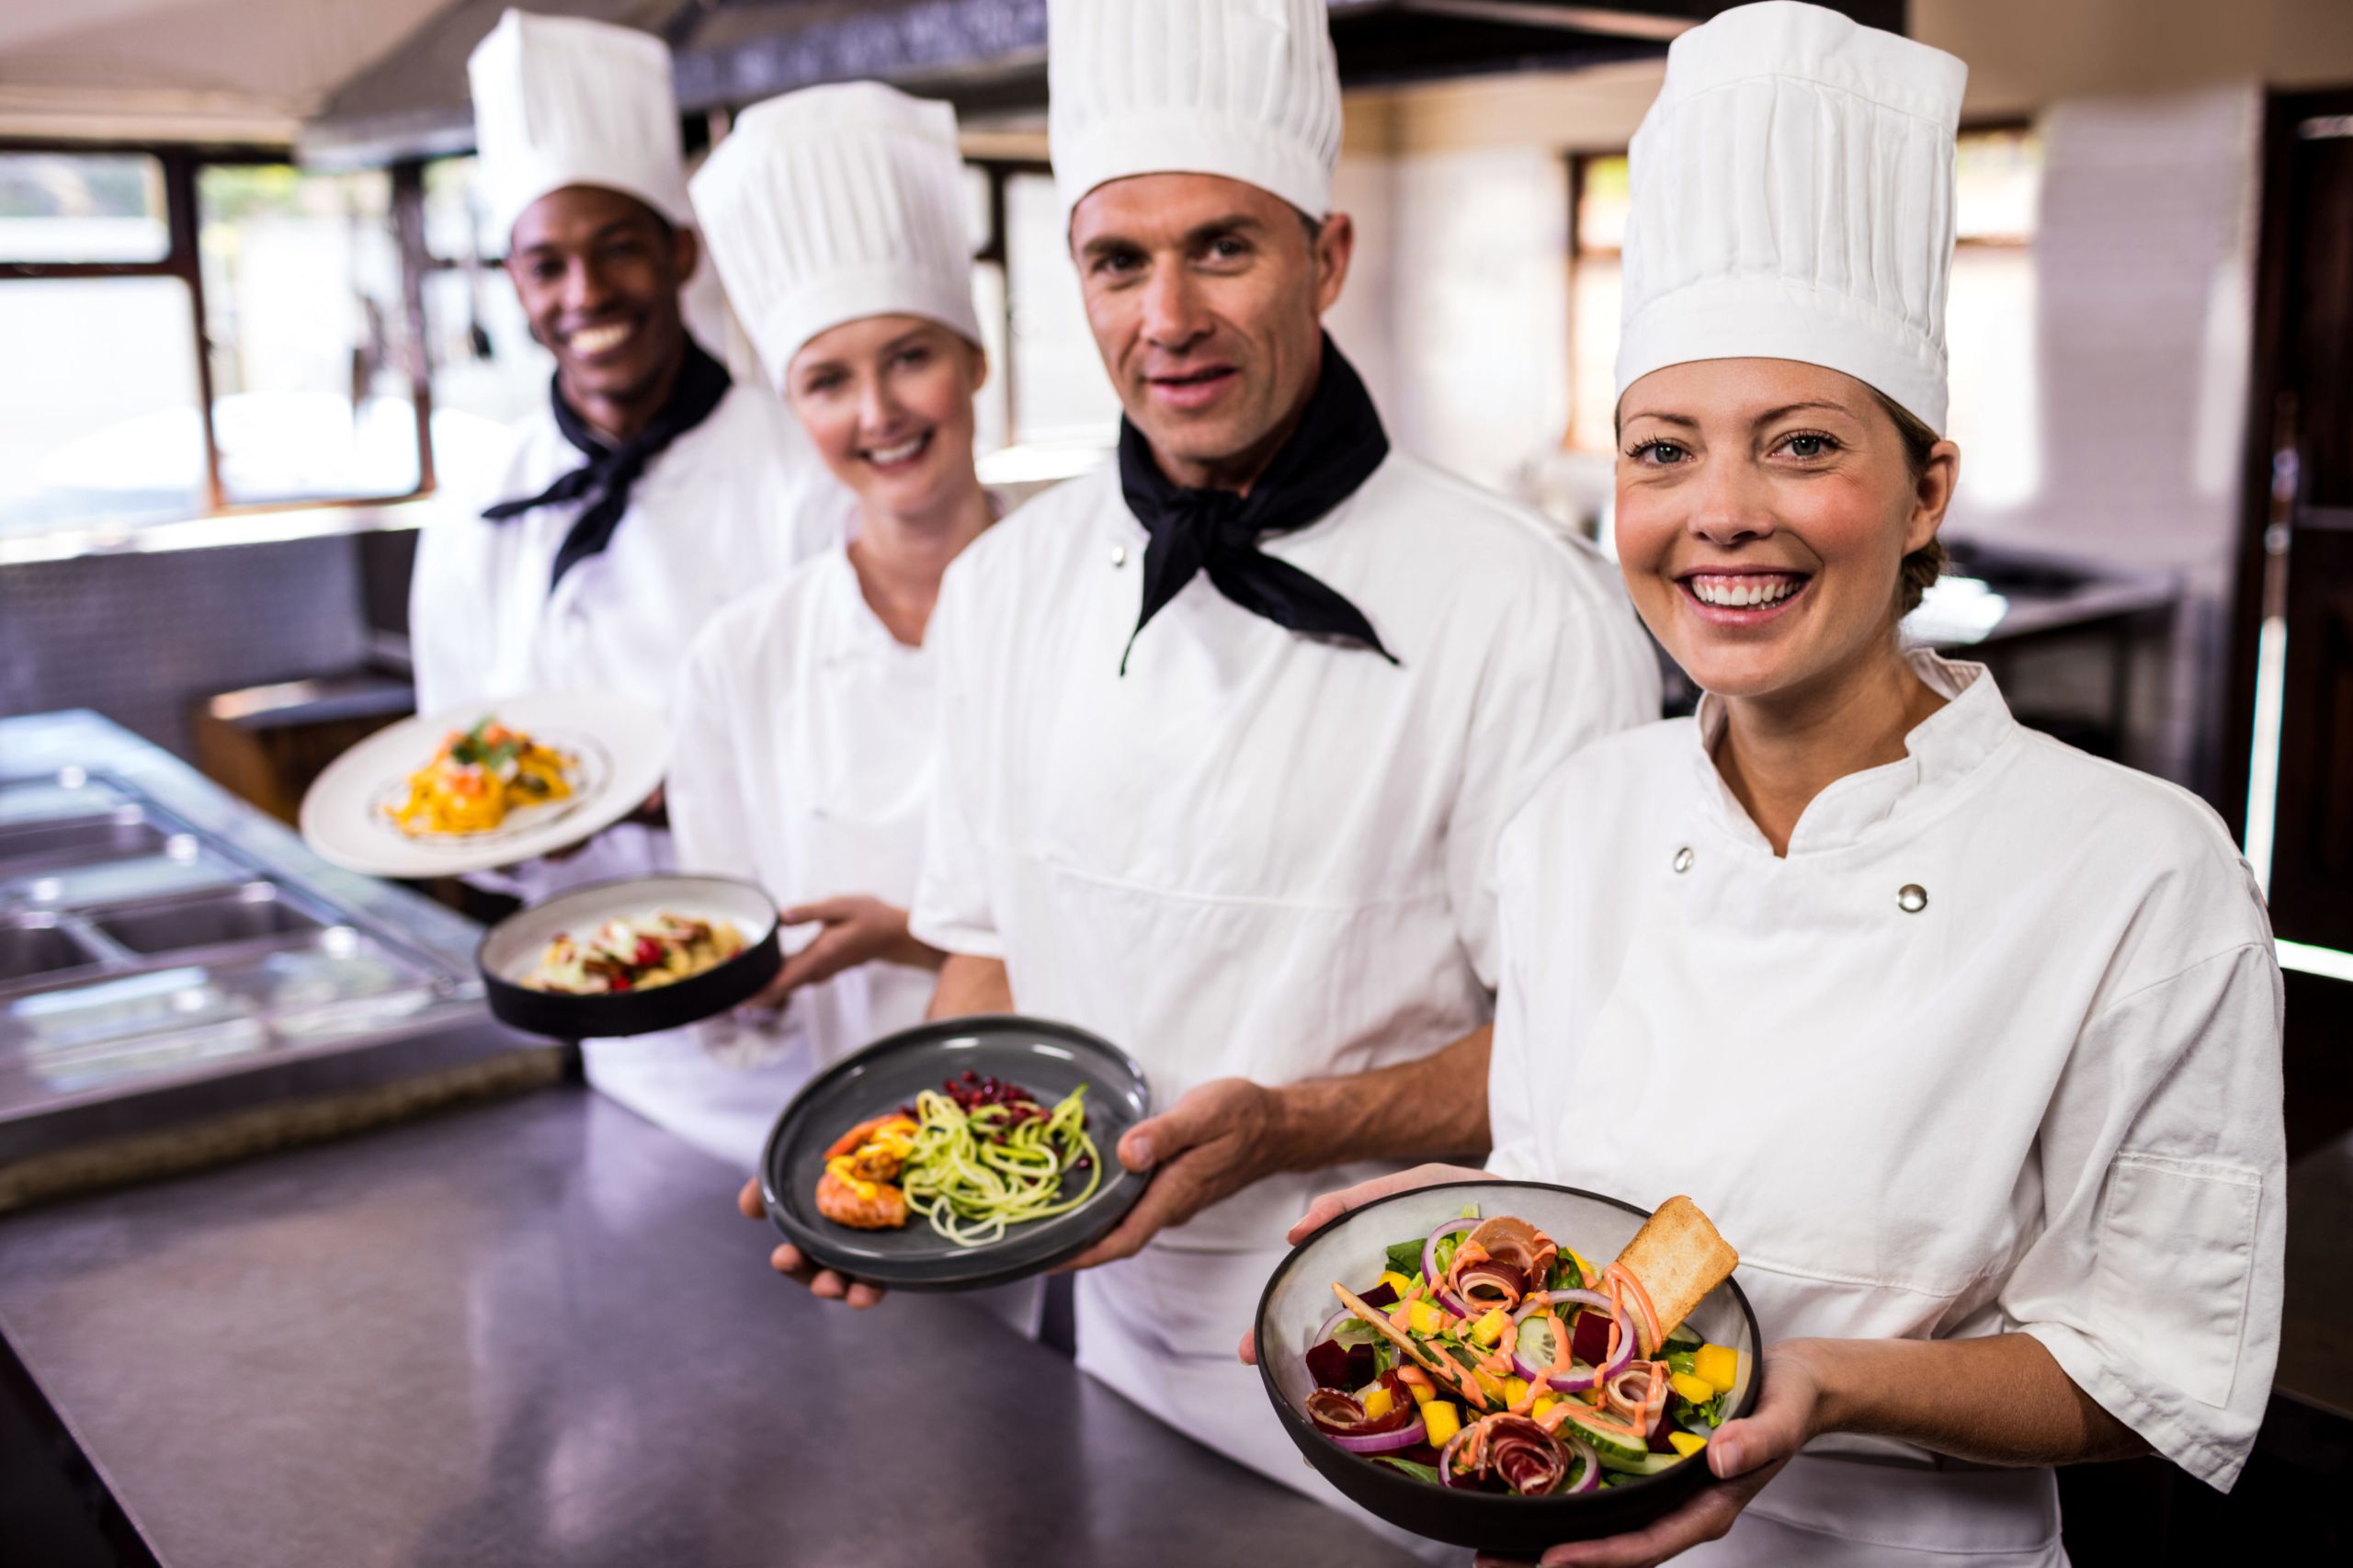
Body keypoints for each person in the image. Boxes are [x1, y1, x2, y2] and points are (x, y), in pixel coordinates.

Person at [1261, 6, 2286, 1564]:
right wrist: (1464, 1232)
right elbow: (1581, 1219)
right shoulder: (1580, 819)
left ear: (1927, 488)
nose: (1721, 515)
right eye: (1663, 451)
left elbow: (2146, 1373)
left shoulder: (2138, 869)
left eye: (1802, 444)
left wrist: (1816, 1383)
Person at [751, 0, 1663, 1515]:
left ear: (1329, 257)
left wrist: (1285, 1131)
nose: (1166, 315)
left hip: (1400, 1363)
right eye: (1119, 260)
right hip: (1104, 1348)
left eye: (1224, 248)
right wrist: (906, 1176)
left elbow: (1580, 1059)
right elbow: (983, 960)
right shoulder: (1009, 587)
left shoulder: (1526, 607)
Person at [616, 82, 997, 1182]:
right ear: (792, 406)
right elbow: (733, 983)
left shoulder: (1095, 602)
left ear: (974, 360)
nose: (877, 412)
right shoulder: (739, 660)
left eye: (911, 355)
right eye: (828, 379)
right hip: (852, 1164)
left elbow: (1134, 927)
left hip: (1102, 1149)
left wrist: (907, 934)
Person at [409, 10, 839, 907]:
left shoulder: (805, 464)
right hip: (581, 967)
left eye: (618, 250)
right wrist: (528, 829)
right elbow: (450, 768)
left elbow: (858, 748)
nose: (587, 294)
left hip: (796, 960)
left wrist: (687, 793)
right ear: (514, 282)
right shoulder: (476, 503)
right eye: (547, 264)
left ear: (680, 252)